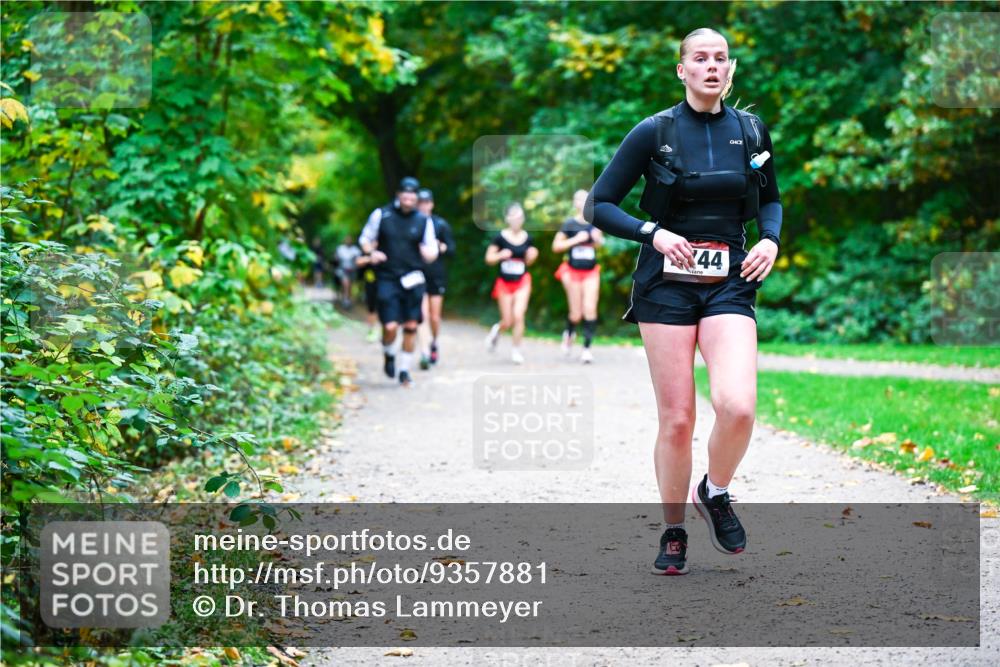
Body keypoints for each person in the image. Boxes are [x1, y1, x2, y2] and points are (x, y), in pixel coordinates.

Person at [586, 28, 782, 575]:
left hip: (729, 279)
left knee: (737, 405)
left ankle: (714, 492)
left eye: (720, 59)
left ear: (731, 69)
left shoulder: (751, 128)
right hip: (665, 283)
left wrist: (770, 239)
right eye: (701, 59)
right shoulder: (655, 131)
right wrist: (654, 232)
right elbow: (598, 205)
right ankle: (673, 530)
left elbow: (771, 201)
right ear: (682, 70)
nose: (711, 67)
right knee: (677, 419)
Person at [359, 177, 439, 386]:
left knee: (411, 326)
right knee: (391, 326)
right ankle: (388, 353)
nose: (409, 197)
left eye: (413, 194)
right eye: (405, 193)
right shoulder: (382, 215)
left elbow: (432, 250)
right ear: (398, 195)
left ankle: (404, 371)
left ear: (416, 197)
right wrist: (372, 252)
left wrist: (428, 253)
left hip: (413, 278)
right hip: (387, 277)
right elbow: (365, 239)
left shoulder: (423, 221)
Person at [552, 189, 605, 364]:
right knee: (576, 313)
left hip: (590, 272)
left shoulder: (594, 223)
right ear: (574, 203)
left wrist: (598, 240)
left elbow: (599, 245)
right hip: (572, 272)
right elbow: (556, 247)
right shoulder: (569, 224)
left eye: (585, 199)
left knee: (590, 308)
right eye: (578, 199)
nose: (582, 202)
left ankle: (587, 349)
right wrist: (575, 240)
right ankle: (569, 333)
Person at [484, 202, 538, 365]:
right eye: (514, 216)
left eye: (520, 216)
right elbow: (489, 259)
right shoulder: (500, 237)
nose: (517, 219)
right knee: (507, 320)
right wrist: (500, 255)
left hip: (522, 281)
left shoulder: (528, 238)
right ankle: (497, 330)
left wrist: (533, 255)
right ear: (507, 218)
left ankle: (516, 350)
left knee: (519, 315)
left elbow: (529, 260)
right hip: (504, 283)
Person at [415, 188, 455, 369]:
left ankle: (433, 343)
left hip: (437, 274)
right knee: (421, 315)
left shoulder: (440, 225)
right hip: (417, 274)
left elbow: (453, 249)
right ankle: (424, 352)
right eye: (420, 202)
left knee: (434, 316)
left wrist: (443, 247)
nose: (423, 206)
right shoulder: (412, 223)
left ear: (431, 204)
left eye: (426, 202)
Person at [334, 235, 362, 309]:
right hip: (343, 270)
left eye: (349, 240)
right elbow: (336, 258)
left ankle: (347, 299)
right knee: (346, 284)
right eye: (347, 240)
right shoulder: (340, 249)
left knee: (349, 286)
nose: (348, 241)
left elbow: (359, 259)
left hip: (352, 271)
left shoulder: (355, 250)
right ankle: (345, 300)